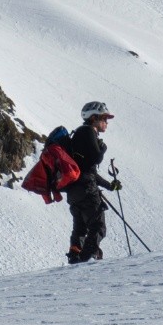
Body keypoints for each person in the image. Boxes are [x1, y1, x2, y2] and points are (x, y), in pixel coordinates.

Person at [65, 101, 122, 264]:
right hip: (87, 190)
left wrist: (109, 186)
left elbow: (89, 170)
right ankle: (85, 260)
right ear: (94, 118)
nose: (106, 122)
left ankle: (76, 257)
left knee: (80, 229)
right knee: (98, 227)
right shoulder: (88, 131)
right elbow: (96, 159)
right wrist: (102, 148)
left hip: (75, 192)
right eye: (104, 118)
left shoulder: (79, 134)